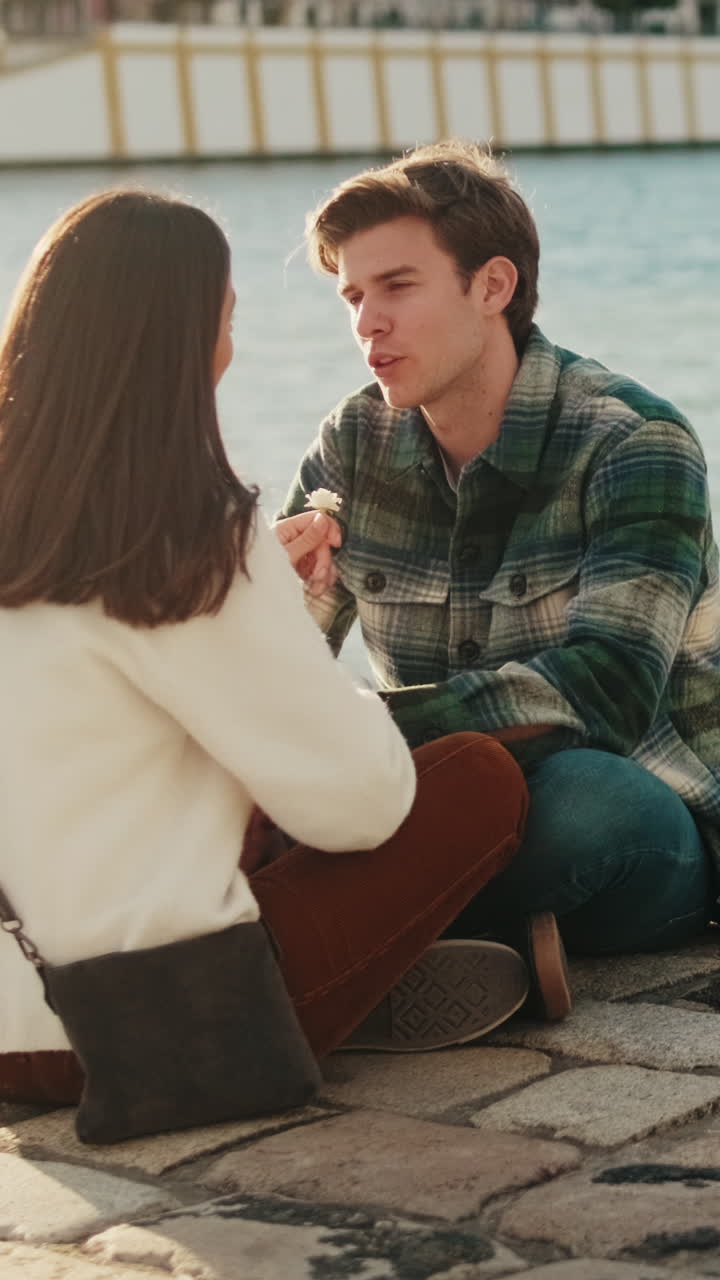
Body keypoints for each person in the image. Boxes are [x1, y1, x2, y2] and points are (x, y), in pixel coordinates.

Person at [0, 188, 560, 1112]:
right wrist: (277, 617)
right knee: (475, 778)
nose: (232, 349)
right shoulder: (183, 539)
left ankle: (358, 989)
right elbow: (361, 805)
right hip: (137, 1022)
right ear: (180, 340)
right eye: (225, 321)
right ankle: (340, 995)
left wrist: (273, 611)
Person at [280, 139, 720, 961]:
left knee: (584, 808)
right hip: (430, 802)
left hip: (643, 808)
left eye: (397, 287)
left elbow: (609, 692)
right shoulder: (351, 444)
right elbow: (276, 675)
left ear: (493, 286)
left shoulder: (633, 442)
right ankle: (466, 946)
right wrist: (261, 595)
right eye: (351, 296)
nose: (367, 322)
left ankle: (350, 941)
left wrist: (370, 730)